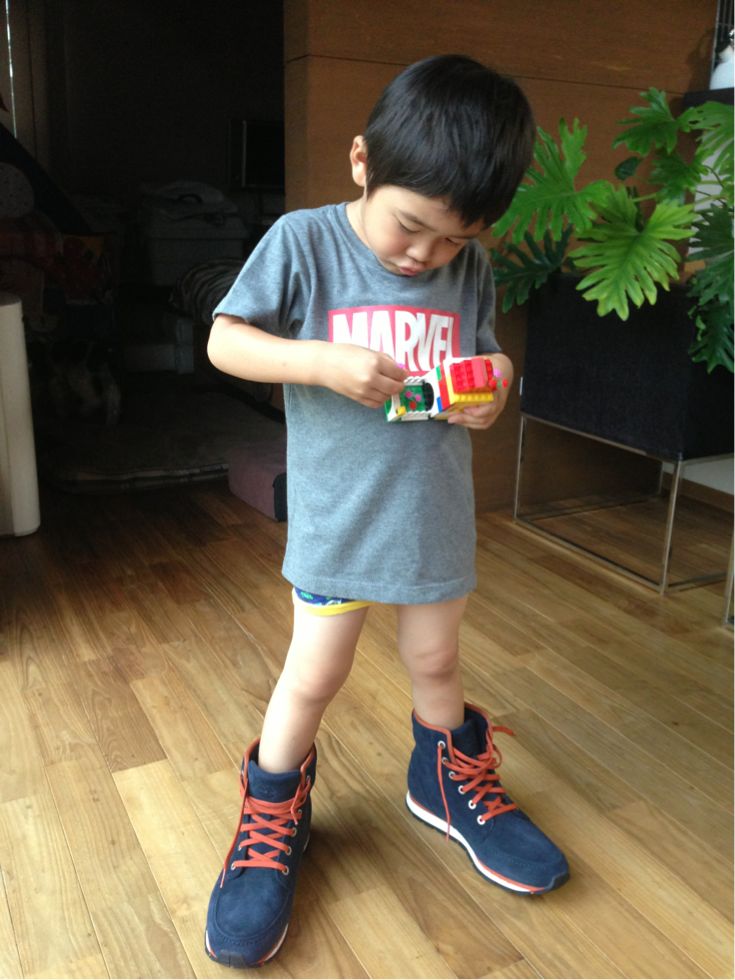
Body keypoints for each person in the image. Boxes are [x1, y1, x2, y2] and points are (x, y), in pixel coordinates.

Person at [204, 53, 569, 969]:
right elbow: (225, 341)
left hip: (432, 514)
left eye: (453, 239)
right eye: (412, 227)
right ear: (362, 161)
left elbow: (485, 358)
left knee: (436, 660)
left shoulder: (467, 266)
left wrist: (493, 385)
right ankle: (272, 809)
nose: (425, 255)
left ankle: (445, 781)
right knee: (314, 675)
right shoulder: (303, 241)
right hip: (339, 519)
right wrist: (318, 362)